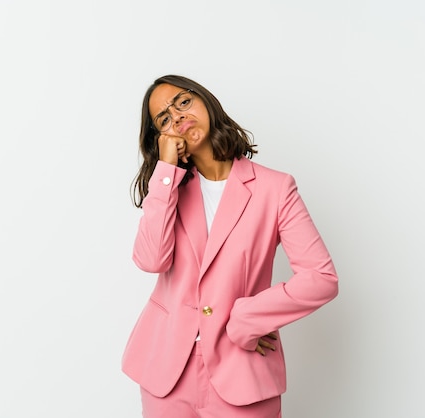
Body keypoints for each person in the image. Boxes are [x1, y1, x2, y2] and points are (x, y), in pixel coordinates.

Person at [122, 74, 338, 418]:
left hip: (243, 369)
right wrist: (165, 171)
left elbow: (320, 278)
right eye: (164, 119)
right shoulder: (168, 189)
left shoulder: (275, 188)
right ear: (161, 137)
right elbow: (151, 259)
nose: (176, 116)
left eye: (182, 101)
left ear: (205, 101)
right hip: (166, 371)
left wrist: (247, 318)